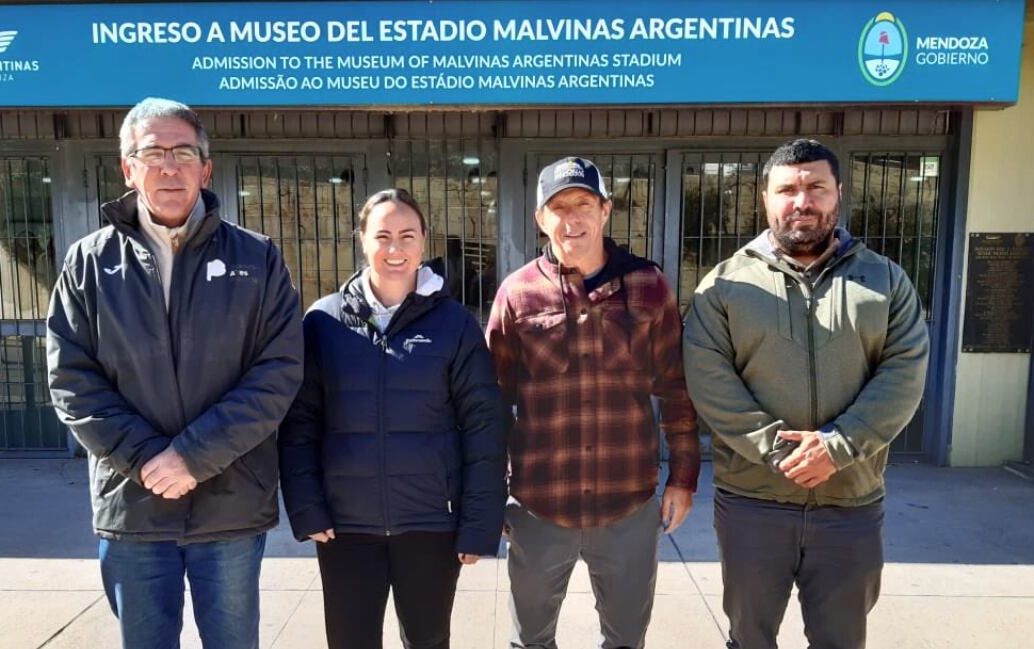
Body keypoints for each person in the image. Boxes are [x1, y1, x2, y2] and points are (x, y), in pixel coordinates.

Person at [46, 97, 303, 649]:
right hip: (133, 506)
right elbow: (72, 379)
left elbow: (278, 371)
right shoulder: (88, 264)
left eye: (183, 152)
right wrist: (146, 461)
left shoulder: (257, 260)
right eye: (152, 153)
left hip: (230, 502)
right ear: (128, 168)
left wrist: (193, 456)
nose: (169, 167)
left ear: (205, 169)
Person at [683, 138, 930, 649]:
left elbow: (904, 373)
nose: (802, 200)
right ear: (766, 199)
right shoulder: (724, 286)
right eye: (788, 189)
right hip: (754, 503)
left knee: (841, 640)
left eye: (816, 186)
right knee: (749, 638)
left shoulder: (885, 281)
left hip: (850, 504)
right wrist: (780, 450)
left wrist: (839, 447)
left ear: (838, 194)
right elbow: (709, 380)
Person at [486, 157, 701, 649]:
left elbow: (676, 388)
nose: (572, 219)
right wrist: (488, 491)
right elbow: (491, 406)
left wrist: (683, 479)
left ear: (605, 211)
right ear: (541, 219)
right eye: (558, 208)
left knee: (626, 640)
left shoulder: (649, 287)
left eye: (583, 204)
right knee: (530, 642)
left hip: (627, 503)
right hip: (540, 506)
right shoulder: (516, 294)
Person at [279, 188, 507, 649]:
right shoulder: (323, 322)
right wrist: (307, 508)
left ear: (424, 242)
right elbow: (299, 425)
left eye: (407, 235)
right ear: (362, 240)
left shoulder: (455, 324)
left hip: (430, 525)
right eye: (382, 235)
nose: (395, 248)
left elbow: (484, 424)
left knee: (427, 641)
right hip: (345, 528)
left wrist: (478, 522)